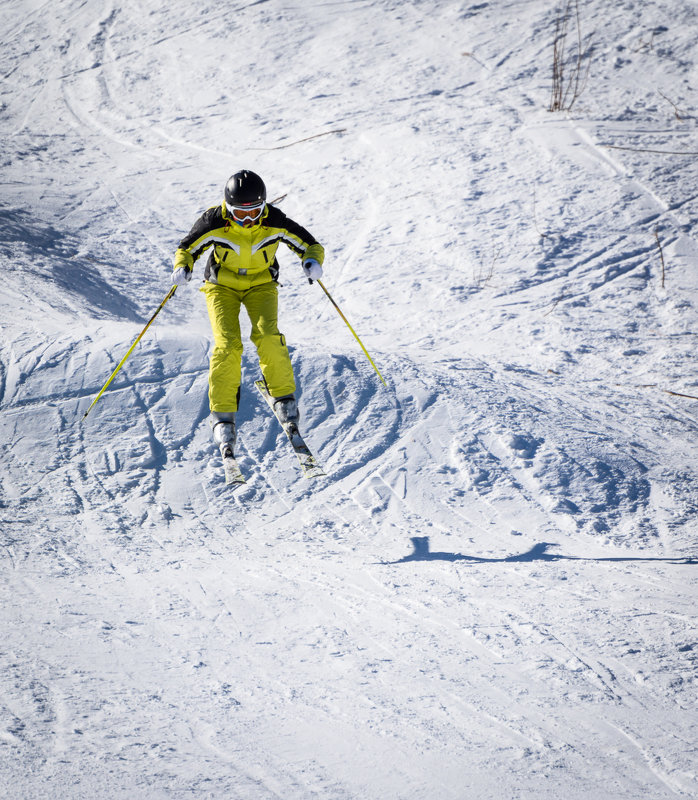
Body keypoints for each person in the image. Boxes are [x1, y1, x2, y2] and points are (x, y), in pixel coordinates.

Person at [171, 169, 324, 457]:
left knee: (268, 336)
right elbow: (187, 248)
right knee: (228, 346)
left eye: (254, 212)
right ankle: (223, 414)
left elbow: (309, 245)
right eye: (240, 214)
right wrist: (183, 266)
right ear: (228, 208)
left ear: (263, 206)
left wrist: (312, 261)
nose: (248, 219)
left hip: (262, 284)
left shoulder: (274, 221)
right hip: (221, 286)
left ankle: (284, 398)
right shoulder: (214, 221)